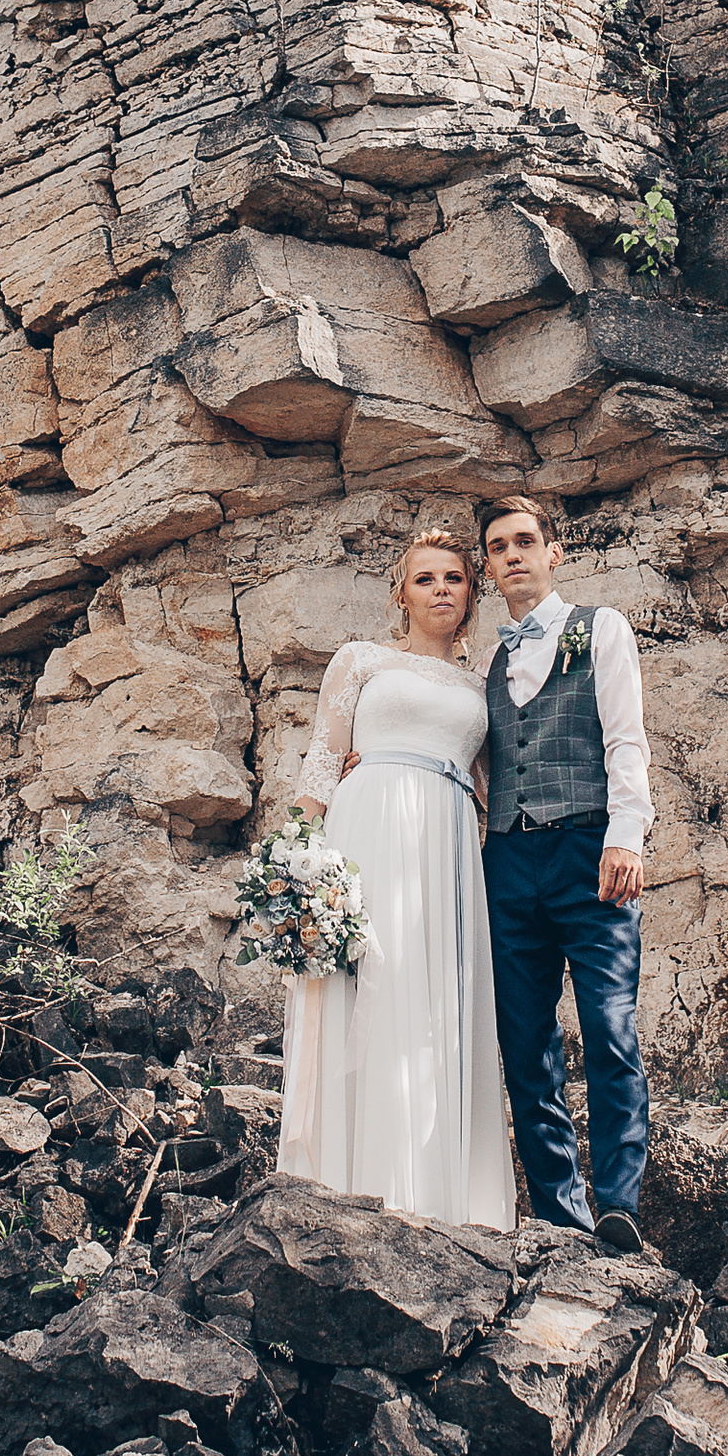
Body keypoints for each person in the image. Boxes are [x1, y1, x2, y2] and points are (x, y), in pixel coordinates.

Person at [278, 529, 520, 1230]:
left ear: (472, 595)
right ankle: (343, 1179)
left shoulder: (483, 689)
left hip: (443, 843)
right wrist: (296, 860)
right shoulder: (362, 660)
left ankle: (430, 1194)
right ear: (401, 594)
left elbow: (489, 783)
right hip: (366, 826)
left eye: (454, 578)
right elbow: (322, 764)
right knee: (360, 987)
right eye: (425, 579)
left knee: (429, 1002)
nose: (441, 588)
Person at [478, 494, 651, 1252]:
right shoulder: (487, 665)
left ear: (554, 552)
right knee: (525, 1045)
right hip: (508, 861)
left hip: (590, 852)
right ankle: (559, 1213)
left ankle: (618, 1205)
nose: (512, 554)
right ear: (487, 568)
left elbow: (625, 740)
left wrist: (627, 836)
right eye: (497, 547)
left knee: (610, 1030)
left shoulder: (600, 628)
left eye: (525, 541)